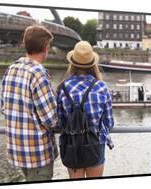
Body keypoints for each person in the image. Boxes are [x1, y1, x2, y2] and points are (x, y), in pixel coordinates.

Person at [1, 25, 58, 182]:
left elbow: (4, 108)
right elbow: (51, 119)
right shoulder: (38, 74)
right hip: (37, 153)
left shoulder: (10, 69)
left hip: (17, 150)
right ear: (46, 48)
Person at [56, 41, 114, 179]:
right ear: (93, 64)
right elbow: (109, 122)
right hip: (96, 143)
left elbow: (61, 122)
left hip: (71, 144)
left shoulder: (63, 88)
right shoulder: (101, 87)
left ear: (73, 63)